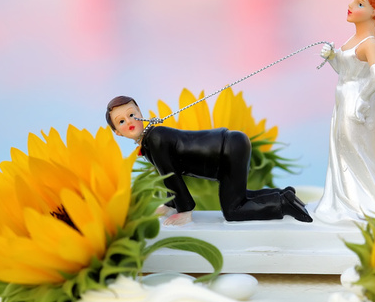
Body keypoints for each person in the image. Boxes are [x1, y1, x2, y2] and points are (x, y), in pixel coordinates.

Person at [106, 96, 312, 226]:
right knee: (241, 198)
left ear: (141, 113)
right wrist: (170, 205)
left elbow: (171, 177)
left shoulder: (156, 138)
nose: (130, 121)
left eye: (132, 114)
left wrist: (185, 210)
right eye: (122, 121)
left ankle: (283, 204)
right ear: (116, 132)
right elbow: (168, 174)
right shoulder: (152, 140)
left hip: (226, 150)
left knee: (233, 211)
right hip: (228, 146)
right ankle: (284, 195)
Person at [314, 0, 375, 224]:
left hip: (356, 106)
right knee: (342, 151)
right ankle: (345, 200)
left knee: (360, 156)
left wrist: (364, 100)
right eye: (353, 0)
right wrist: (332, 56)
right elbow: (345, 72)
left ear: (374, 13)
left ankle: (372, 207)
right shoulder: (352, 40)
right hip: (343, 101)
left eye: (359, 3)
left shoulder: (370, 44)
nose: (350, 6)